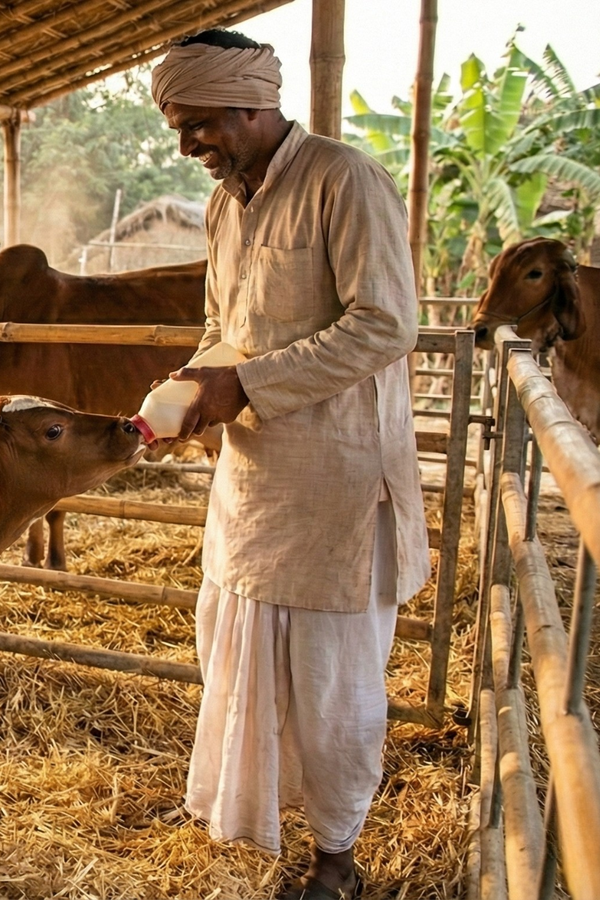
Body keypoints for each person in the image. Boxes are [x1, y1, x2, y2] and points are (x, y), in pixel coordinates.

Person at [148, 29, 430, 900]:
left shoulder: (345, 180)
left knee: (328, 680)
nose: (188, 146)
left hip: (334, 483)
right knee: (234, 652)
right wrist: (191, 389)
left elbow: (387, 323)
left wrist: (246, 384)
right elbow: (220, 324)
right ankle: (243, 815)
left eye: (198, 124)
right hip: (250, 478)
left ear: (252, 105)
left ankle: (336, 855)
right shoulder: (223, 205)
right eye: (177, 128)